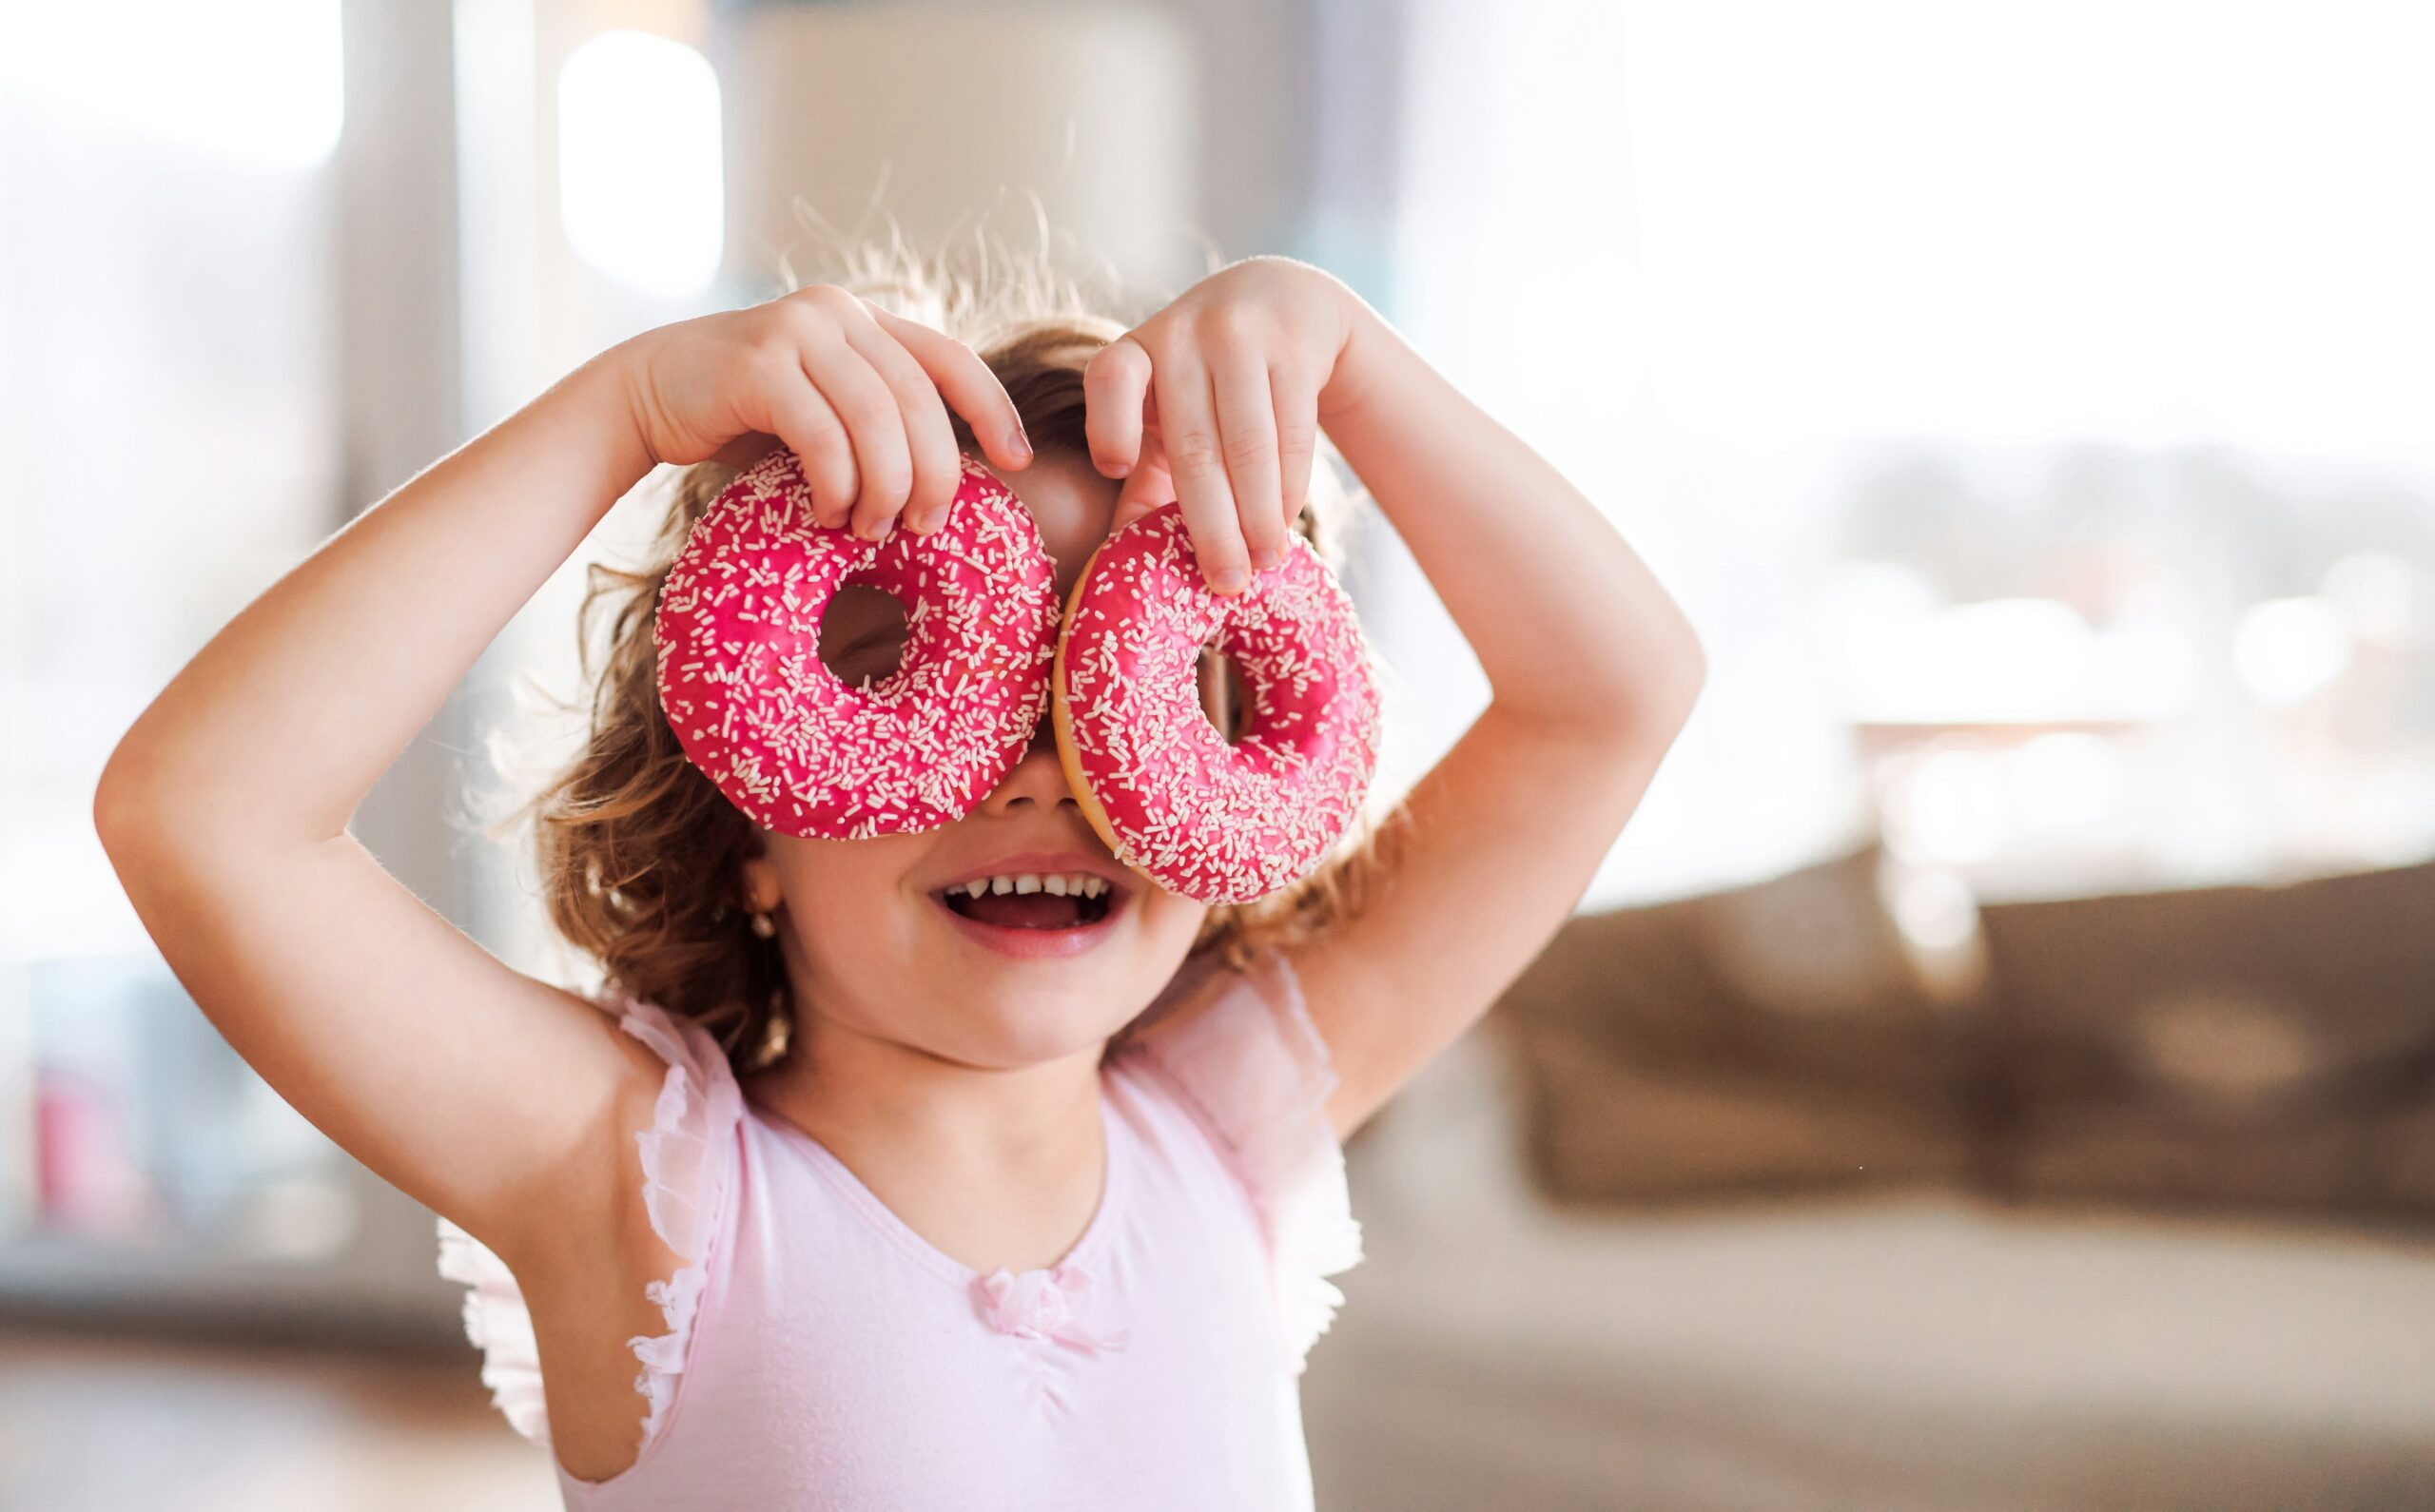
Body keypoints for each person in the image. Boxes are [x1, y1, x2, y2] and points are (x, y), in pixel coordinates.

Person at [92, 234, 1704, 1508]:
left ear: (1225, 818)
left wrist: (1347, 360)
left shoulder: (1225, 1127)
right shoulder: (642, 1194)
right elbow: (204, 815)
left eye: (1117, 685)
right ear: (747, 822)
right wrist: (623, 412)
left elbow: (1611, 696)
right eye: (902, 671)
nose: (1043, 763)